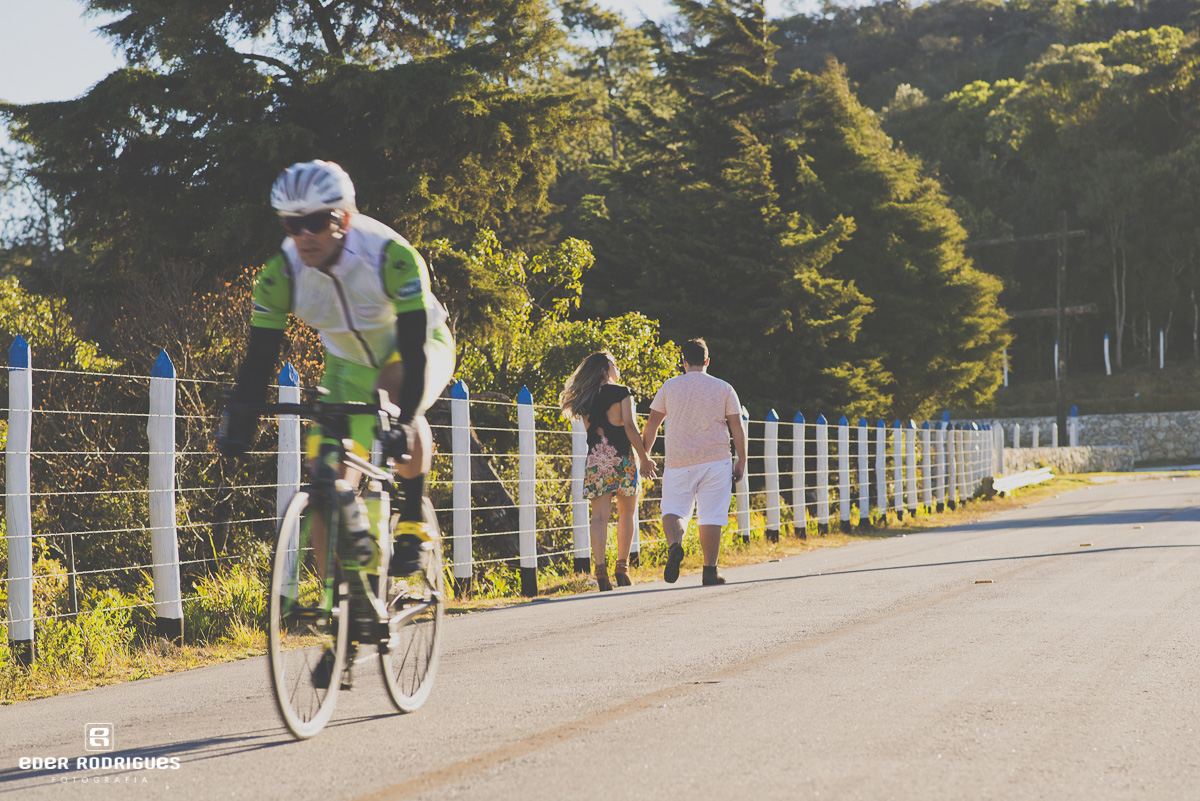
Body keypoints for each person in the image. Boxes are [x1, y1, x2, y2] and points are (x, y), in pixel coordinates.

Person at [217, 159, 455, 602]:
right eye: (292, 224)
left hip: (417, 346)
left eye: (314, 222)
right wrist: (241, 419)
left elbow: (413, 344)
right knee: (324, 476)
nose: (304, 235)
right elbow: (260, 357)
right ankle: (338, 603)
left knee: (394, 394)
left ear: (343, 217)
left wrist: (401, 420)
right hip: (346, 366)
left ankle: (411, 521)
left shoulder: (390, 255)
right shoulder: (280, 275)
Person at [641, 338, 746, 586]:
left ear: (683, 362)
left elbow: (652, 424)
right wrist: (742, 458)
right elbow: (737, 426)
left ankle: (675, 545)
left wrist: (644, 455)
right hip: (716, 459)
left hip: (679, 460)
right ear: (707, 361)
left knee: (673, 510)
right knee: (711, 515)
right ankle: (710, 571)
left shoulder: (670, 387)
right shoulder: (724, 388)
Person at [560, 351, 657, 591]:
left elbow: (592, 432)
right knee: (627, 514)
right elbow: (631, 428)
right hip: (622, 458)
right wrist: (644, 459)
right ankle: (622, 569)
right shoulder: (622, 392)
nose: (618, 369)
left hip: (597, 459)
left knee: (599, 517)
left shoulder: (584, 398)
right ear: (605, 369)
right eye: (614, 364)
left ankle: (601, 572)